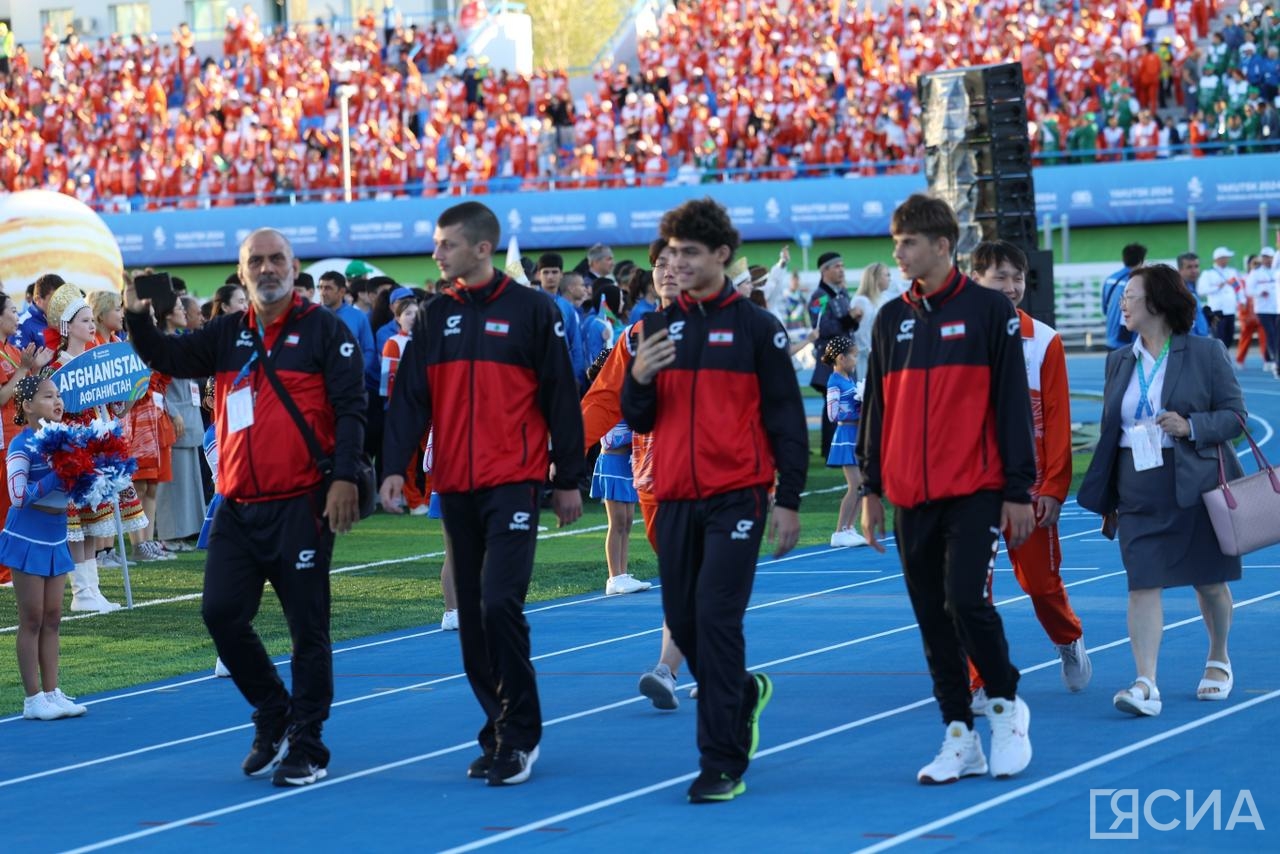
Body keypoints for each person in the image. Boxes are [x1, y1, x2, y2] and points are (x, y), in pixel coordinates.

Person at [125, 227, 367, 787]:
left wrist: (346, 479)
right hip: (237, 504)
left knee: (308, 628)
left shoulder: (324, 331)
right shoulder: (227, 332)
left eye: (275, 258)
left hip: (301, 502)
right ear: (241, 270)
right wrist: (139, 316)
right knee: (220, 614)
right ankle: (273, 709)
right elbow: (167, 354)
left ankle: (309, 741)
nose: (266, 268)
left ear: (294, 264)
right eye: (255, 260)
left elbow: (352, 409)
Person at [380, 201, 584, 787]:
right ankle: (497, 727)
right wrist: (395, 467)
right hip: (455, 486)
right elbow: (411, 400)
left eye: (446, 244)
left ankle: (521, 735)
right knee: (470, 618)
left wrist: (567, 478)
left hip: (514, 483)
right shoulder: (435, 316)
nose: (436, 253)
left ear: (481, 249)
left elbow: (559, 397)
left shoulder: (532, 311)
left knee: (500, 605)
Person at [622, 197, 808, 803]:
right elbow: (637, 416)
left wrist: (789, 499)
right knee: (686, 620)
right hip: (673, 494)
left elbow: (785, 416)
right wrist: (639, 379)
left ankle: (720, 761)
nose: (676, 264)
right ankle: (743, 694)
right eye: (670, 254)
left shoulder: (757, 327)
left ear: (721, 255)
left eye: (689, 254)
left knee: (716, 618)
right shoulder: (654, 326)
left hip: (739, 496)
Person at [858, 193, 1036, 784]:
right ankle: (959, 735)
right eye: (895, 242)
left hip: (977, 486)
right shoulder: (890, 319)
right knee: (932, 616)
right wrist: (873, 490)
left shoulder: (990, 312)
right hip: (910, 492)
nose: (898, 253)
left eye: (908, 242)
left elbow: (1011, 403)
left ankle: (1007, 712)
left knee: (965, 600)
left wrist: (1017, 489)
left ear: (941, 245)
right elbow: (877, 411)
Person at [1078, 264, 1245, 718]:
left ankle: (1218, 657)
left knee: (1209, 582)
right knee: (1142, 584)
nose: (1122, 304)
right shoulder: (1119, 360)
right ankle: (1145, 682)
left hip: (1195, 483)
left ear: (1156, 303)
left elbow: (1236, 417)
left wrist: (1192, 425)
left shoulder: (1206, 352)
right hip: (1136, 488)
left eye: (1130, 296)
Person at [970, 240, 1091, 707]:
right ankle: (978, 680)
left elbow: (1059, 420)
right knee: (971, 590)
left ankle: (1068, 638)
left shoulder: (1044, 340)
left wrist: (1055, 487)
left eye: (1017, 277)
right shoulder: (955, 335)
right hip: (970, 488)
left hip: (1030, 488)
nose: (1012, 286)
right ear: (975, 276)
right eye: (1000, 276)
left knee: (1038, 584)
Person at [581, 238, 688, 709]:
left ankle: (666, 668)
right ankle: (706, 662)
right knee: (683, 576)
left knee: (699, 576)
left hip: (718, 479)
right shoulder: (636, 334)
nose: (667, 271)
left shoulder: (732, 326)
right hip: (653, 476)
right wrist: (564, 452)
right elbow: (604, 400)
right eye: (660, 264)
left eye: (678, 262)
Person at [1, 376, 87, 720]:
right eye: (48, 396)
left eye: (59, 396)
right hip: (26, 538)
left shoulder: (67, 442)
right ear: (27, 406)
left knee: (53, 617)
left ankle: (52, 692)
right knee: (32, 618)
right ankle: (32, 699)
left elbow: (74, 489)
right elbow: (18, 496)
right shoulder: (21, 446)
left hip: (56, 536)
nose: (57, 401)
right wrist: (60, 472)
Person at [0, 295, 55, 587]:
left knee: (14, 502)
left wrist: (38, 370)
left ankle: (11, 567)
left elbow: (21, 393)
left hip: (16, 436)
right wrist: (24, 370)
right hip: (2, 439)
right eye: (11, 311)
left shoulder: (11, 349)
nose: (16, 317)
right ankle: (4, 571)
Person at [585, 349, 649, 596]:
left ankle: (622, 571)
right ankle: (614, 576)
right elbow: (610, 440)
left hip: (628, 465)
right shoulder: (603, 401)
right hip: (612, 463)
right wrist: (638, 434)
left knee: (628, 522)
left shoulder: (626, 398)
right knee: (617, 521)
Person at [154, 298, 208, 551]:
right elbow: (155, 386)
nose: (184, 314)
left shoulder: (180, 340)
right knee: (171, 482)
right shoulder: (158, 343)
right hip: (173, 413)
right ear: (166, 314)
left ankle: (184, 531)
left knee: (188, 478)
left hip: (190, 411)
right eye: (178, 310)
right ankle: (167, 533)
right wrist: (172, 412)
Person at [808, 251, 861, 457]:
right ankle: (830, 448)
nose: (841, 269)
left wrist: (853, 320)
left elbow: (848, 328)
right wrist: (849, 318)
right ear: (825, 271)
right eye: (836, 266)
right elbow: (821, 327)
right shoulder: (819, 297)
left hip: (845, 358)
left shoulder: (842, 293)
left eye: (842, 265)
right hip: (830, 359)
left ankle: (840, 446)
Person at [821, 336, 867, 548]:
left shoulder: (848, 379)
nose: (856, 360)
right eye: (854, 356)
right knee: (855, 483)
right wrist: (856, 407)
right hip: (845, 437)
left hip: (855, 435)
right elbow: (832, 413)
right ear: (841, 358)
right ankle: (839, 531)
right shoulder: (834, 381)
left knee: (862, 484)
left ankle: (849, 527)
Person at [851, 262, 892, 389]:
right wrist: (871, 352)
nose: (890, 278)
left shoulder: (884, 298)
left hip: (882, 356)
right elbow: (860, 333)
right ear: (875, 278)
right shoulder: (861, 301)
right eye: (887, 275)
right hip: (866, 358)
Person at [1197, 246, 1243, 353]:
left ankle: (1223, 356)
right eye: (1225, 257)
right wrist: (1218, 287)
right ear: (1218, 259)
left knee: (1230, 336)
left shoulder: (1232, 272)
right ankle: (1220, 359)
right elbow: (1201, 290)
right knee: (1219, 337)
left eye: (1228, 257)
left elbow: (1237, 287)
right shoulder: (1208, 273)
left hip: (1230, 309)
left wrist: (1241, 300)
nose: (1227, 260)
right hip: (1217, 310)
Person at [1101, 242, 1147, 350]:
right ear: (1141, 261)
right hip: (1130, 343)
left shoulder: (1110, 280)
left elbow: (1104, 309)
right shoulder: (1138, 282)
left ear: (1123, 259)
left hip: (1111, 340)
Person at [1244, 246, 1277, 373]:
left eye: (1270, 257)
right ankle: (1275, 360)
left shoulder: (1277, 271)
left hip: (1277, 308)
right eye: (1265, 257)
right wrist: (1259, 291)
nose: (1267, 260)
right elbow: (1248, 290)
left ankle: (1268, 360)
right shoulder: (1255, 273)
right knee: (1271, 333)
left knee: (1273, 334)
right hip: (1263, 309)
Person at [1175, 252, 1213, 338]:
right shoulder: (1177, 291)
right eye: (1189, 267)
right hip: (1190, 342)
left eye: (1196, 266)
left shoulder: (1191, 286)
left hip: (1201, 339)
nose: (1194, 270)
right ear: (1179, 270)